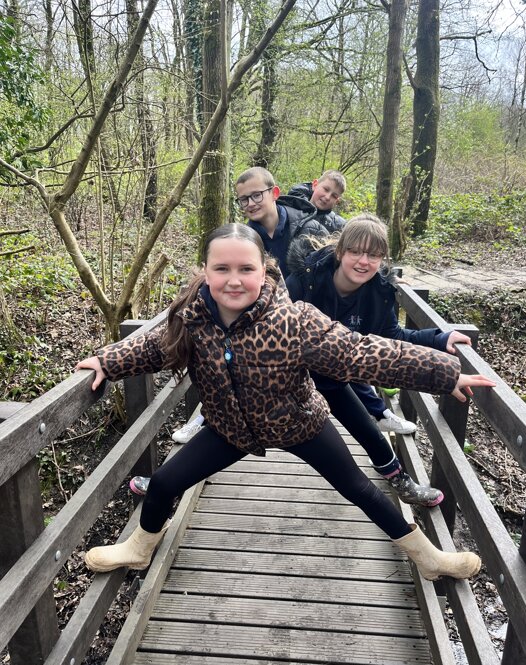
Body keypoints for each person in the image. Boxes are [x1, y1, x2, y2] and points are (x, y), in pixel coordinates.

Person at [77, 223, 494, 581]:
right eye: (222, 269)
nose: (234, 280)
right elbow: (154, 347)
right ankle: (139, 548)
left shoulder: (294, 321)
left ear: (264, 270)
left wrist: (444, 373)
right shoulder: (193, 319)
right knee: (165, 483)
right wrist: (106, 361)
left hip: (300, 422)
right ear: (205, 271)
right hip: (232, 429)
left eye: (246, 269)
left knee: (360, 488)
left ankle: (428, 558)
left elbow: (361, 352)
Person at [171, 166, 330, 446]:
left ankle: (385, 453)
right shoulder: (244, 238)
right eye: (243, 199)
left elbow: (337, 262)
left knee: (339, 389)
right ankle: (207, 419)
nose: (250, 203)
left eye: (256, 195)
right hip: (265, 323)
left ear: (274, 193)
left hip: (310, 321)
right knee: (231, 371)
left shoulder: (309, 226)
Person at [286, 213, 474, 436]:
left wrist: (439, 338)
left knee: (377, 445)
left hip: (338, 378)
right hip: (297, 380)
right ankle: (379, 413)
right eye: (355, 252)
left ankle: (381, 417)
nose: (364, 261)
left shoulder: (379, 292)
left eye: (373, 255)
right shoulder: (305, 280)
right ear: (340, 251)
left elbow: (393, 336)